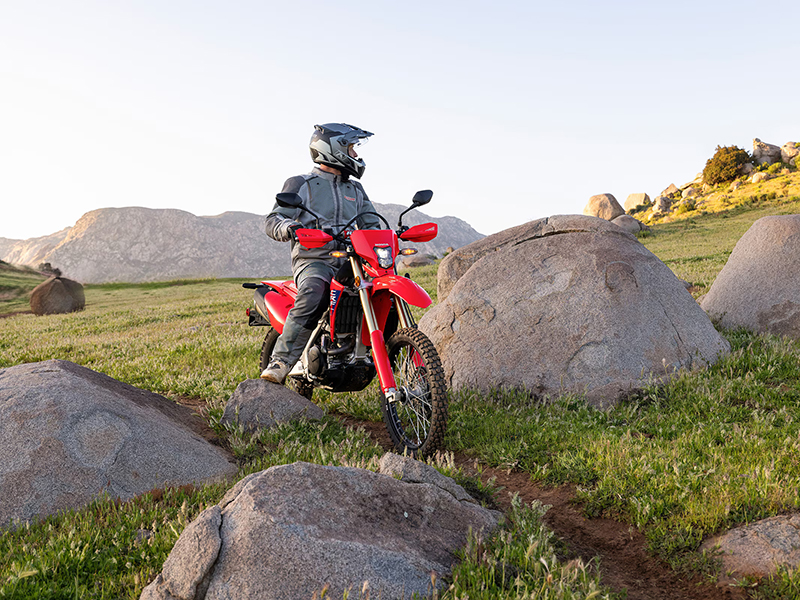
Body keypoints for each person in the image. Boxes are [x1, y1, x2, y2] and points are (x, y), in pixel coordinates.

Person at [260, 123, 382, 383]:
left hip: (353, 261)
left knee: (383, 294)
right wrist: (290, 227)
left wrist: (386, 236)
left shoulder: (355, 190)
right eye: (351, 148)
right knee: (314, 292)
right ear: (334, 150)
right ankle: (280, 362)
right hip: (314, 260)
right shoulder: (301, 184)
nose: (356, 155)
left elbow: (372, 224)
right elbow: (273, 219)